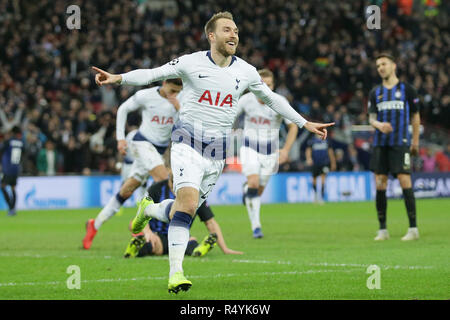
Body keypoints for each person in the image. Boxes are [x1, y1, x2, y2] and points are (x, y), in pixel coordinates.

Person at [92, 11, 334, 294]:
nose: (234, 35)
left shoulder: (246, 71)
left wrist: (304, 122)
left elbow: (271, 99)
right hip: (187, 142)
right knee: (188, 203)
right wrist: (117, 78)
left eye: (236, 31)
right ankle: (176, 274)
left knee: (186, 209)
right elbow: (153, 74)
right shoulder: (190, 62)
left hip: (217, 151)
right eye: (228, 30)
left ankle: (149, 208)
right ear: (212, 35)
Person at [82, 79, 183, 249]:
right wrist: (120, 138)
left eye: (177, 91)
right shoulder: (146, 95)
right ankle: (158, 229)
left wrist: (179, 107)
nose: (174, 95)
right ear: (164, 83)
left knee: (127, 191)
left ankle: (95, 224)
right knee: (164, 180)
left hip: (158, 150)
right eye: (171, 90)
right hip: (142, 143)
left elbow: (187, 123)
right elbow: (123, 109)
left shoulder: (181, 100)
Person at [235, 69, 298, 238]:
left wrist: (285, 149)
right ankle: (256, 227)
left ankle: (247, 189)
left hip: (270, 151)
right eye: (261, 85)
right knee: (254, 183)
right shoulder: (246, 100)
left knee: (258, 191)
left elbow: (293, 126)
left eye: (268, 85)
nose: (265, 88)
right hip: (250, 147)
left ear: (273, 85)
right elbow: (230, 117)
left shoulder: (279, 102)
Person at [124, 172, 242, 258]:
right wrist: (148, 232)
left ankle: (199, 249)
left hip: (181, 235)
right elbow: (142, 212)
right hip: (157, 234)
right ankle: (137, 246)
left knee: (189, 242)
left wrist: (225, 249)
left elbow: (210, 222)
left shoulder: (194, 194)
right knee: (154, 245)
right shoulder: (156, 188)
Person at [368, 53, 421, 241]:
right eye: (378, 65)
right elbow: (371, 118)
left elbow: (415, 117)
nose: (381, 68)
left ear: (393, 66)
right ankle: (383, 229)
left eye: (384, 64)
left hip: (400, 143)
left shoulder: (408, 89)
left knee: (405, 181)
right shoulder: (375, 92)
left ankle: (413, 229)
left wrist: (415, 141)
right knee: (380, 183)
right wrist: (379, 125)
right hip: (380, 144)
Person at [305, 132, 336, 204]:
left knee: (323, 180)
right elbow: (308, 150)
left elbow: (330, 152)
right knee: (314, 180)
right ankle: (315, 195)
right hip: (315, 163)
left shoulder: (326, 141)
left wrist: (333, 162)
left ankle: (321, 197)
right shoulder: (312, 141)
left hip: (324, 163)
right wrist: (309, 158)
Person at [0, 126, 24, 216]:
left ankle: (11, 208)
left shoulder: (8, 141)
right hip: (16, 168)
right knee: (13, 188)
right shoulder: (21, 142)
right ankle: (13, 209)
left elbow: (1, 150)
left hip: (8, 168)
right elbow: (24, 153)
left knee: (2, 186)